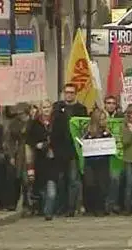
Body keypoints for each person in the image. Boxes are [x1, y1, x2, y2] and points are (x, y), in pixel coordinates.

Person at [51, 83, 88, 217]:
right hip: (59, 150)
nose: (69, 95)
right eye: (67, 92)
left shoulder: (81, 109)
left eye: (72, 92)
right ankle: (60, 206)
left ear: (75, 94)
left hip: (74, 150)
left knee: (73, 180)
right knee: (60, 180)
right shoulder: (56, 108)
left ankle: (71, 208)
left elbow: (84, 128)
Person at [26, 100, 58, 220]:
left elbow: (63, 138)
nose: (46, 109)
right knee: (42, 189)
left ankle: (48, 212)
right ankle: (44, 208)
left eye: (48, 107)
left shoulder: (57, 122)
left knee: (51, 189)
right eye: (44, 107)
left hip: (53, 161)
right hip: (40, 161)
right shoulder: (35, 123)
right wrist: (37, 145)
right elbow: (29, 140)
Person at [82, 108, 112, 217]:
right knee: (91, 184)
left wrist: (107, 135)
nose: (104, 121)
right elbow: (83, 143)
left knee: (102, 185)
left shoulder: (107, 132)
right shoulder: (88, 131)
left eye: (105, 119)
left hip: (103, 162)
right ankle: (91, 207)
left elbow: (110, 145)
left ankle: (101, 208)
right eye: (102, 119)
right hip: (91, 162)